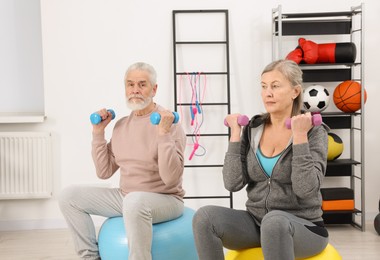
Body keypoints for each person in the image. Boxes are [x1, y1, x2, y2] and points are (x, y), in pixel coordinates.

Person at [192, 59, 330, 260]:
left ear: (295, 91)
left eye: (275, 86)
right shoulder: (253, 129)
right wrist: (235, 136)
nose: (268, 93)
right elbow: (232, 183)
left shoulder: (314, 132)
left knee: (274, 222)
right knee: (204, 218)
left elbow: (306, 189)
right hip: (256, 222)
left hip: (303, 227)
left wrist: (300, 137)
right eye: (264, 86)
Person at [59, 62, 187, 260]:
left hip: (166, 198)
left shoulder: (168, 123)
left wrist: (163, 134)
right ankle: (91, 257)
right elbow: (104, 172)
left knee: (134, 201)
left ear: (154, 89)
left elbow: (171, 179)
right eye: (130, 84)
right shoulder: (121, 126)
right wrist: (98, 133)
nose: (135, 90)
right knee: (69, 196)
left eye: (142, 85)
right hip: (126, 197)